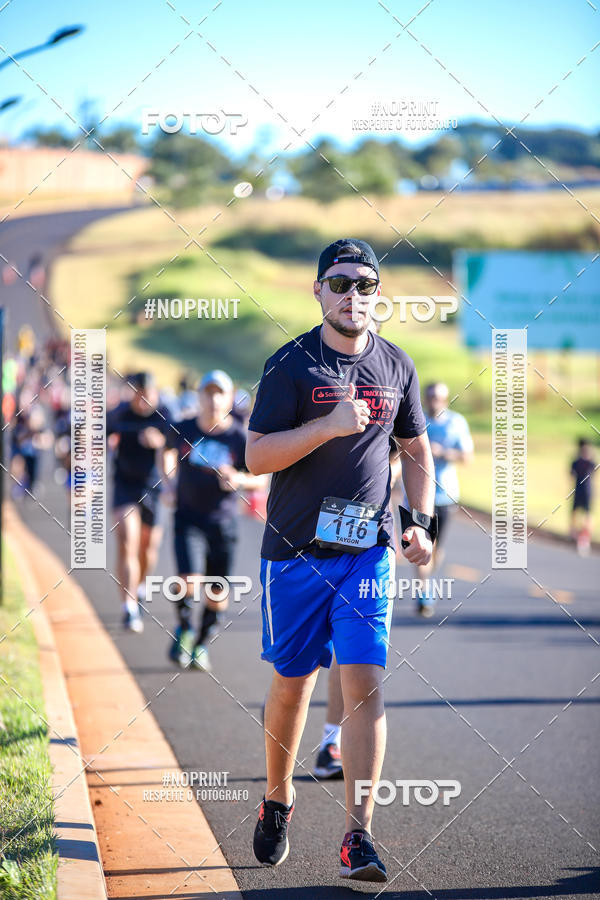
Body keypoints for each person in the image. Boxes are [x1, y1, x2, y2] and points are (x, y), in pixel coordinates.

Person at [246, 238, 435, 882]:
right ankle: (278, 799)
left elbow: (414, 451)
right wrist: (326, 426)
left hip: (367, 555)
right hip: (294, 553)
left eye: (366, 283)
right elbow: (257, 457)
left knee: (363, 684)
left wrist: (418, 523)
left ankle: (359, 837)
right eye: (341, 282)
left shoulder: (397, 364)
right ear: (319, 290)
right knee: (293, 684)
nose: (354, 294)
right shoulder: (290, 365)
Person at [164, 370, 266, 671]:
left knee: (217, 590)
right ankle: (184, 628)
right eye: (207, 393)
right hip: (187, 517)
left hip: (222, 523)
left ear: (229, 398)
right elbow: (167, 452)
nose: (212, 399)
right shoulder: (183, 427)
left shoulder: (239, 436)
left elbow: (261, 479)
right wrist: (168, 483)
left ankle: (202, 643)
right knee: (189, 581)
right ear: (199, 396)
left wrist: (238, 479)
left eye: (219, 393)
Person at [107, 372, 172, 633]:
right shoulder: (120, 414)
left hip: (153, 488)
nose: (143, 399)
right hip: (125, 486)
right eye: (138, 393)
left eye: (148, 393)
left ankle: (141, 585)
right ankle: (129, 606)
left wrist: (159, 443)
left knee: (148, 547)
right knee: (127, 539)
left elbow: (174, 450)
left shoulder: (165, 414)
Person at [411, 382, 473, 617]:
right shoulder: (416, 420)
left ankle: (428, 581)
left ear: (446, 399)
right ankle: (424, 593)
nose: (434, 400)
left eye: (438, 397)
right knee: (422, 543)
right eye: (430, 396)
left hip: (445, 494)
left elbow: (467, 456)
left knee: (437, 550)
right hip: (418, 494)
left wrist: (442, 452)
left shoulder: (456, 422)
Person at [570, 438, 596, 556]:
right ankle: (576, 536)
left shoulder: (586, 462)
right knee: (576, 514)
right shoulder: (579, 462)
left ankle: (584, 538)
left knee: (586, 515)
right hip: (580, 491)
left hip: (586, 491)